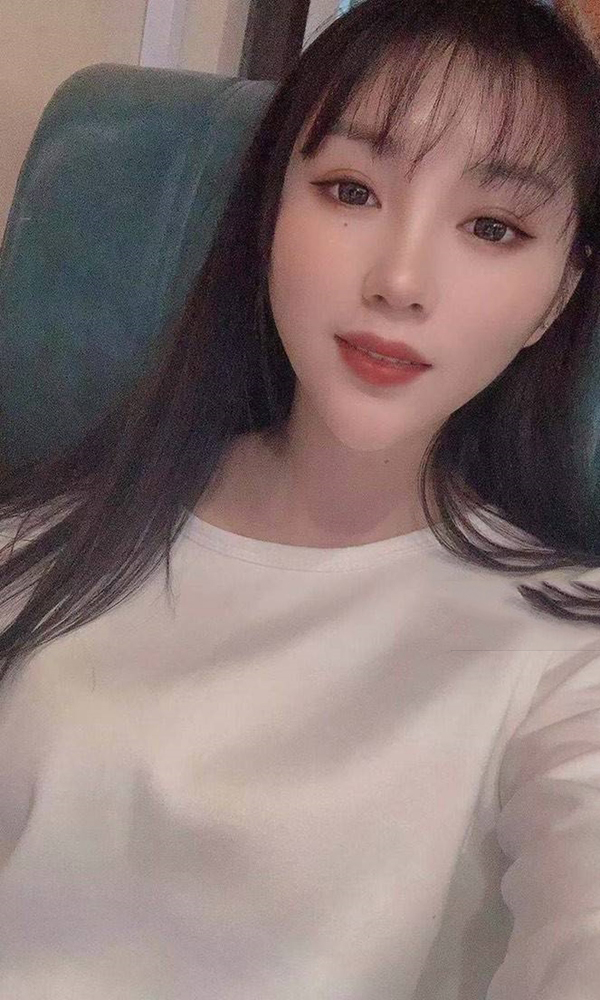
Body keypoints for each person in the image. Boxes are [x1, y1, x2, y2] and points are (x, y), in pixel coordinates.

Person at [1, 0, 600, 996]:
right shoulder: (49, 538)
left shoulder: (566, 661)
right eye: (351, 190)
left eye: (492, 227)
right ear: (271, 214)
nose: (400, 280)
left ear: (556, 298)